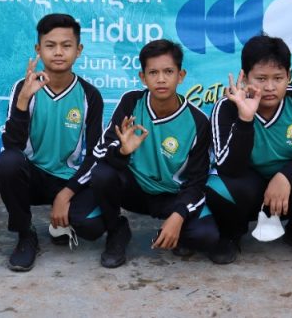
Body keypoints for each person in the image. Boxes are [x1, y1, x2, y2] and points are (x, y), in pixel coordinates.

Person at [76, 39, 218, 268]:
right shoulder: (131, 102)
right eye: (153, 72)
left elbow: (198, 181)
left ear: (181, 76)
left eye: (168, 72)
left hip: (171, 196)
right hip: (133, 191)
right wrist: (122, 151)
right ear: (143, 77)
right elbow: (101, 152)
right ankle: (116, 231)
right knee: (101, 177)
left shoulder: (198, 122)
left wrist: (179, 214)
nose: (161, 79)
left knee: (206, 236)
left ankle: (174, 233)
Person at [205, 35, 292, 264]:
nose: (269, 87)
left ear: (289, 75)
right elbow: (228, 167)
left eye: (278, 78)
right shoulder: (227, 107)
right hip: (250, 188)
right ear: (244, 77)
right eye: (260, 78)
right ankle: (231, 236)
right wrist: (245, 119)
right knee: (218, 187)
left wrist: (286, 176)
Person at [0, 14, 104, 272]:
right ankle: (25, 234)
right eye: (50, 45)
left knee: (92, 227)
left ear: (79, 50)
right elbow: (11, 145)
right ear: (38, 49)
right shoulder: (23, 88)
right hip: (32, 178)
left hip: (67, 179)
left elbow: (95, 155)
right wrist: (23, 101)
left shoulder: (89, 95)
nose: (58, 52)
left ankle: (62, 223)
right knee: (8, 163)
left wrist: (66, 194)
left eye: (66, 45)